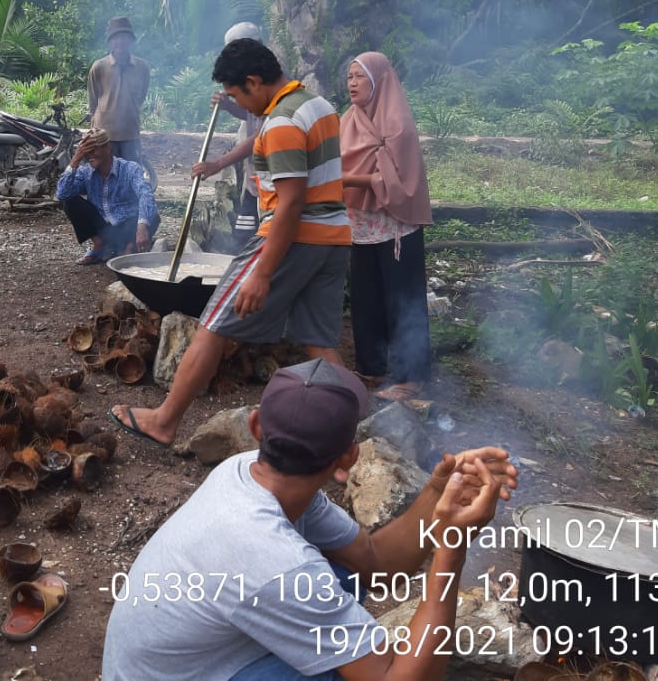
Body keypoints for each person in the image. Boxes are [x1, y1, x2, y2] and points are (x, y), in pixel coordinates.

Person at [102, 359, 519, 681]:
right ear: (347, 459)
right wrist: (451, 548)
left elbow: (374, 563)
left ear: (256, 427)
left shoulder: (245, 471)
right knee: (342, 669)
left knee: (342, 578)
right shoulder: (278, 561)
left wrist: (436, 492)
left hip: (174, 664)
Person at [111, 39, 350, 447]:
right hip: (334, 238)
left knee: (214, 324)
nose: (240, 104)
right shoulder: (317, 105)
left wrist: (263, 273)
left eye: (238, 95)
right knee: (320, 341)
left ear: (254, 82)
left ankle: (165, 421)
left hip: (291, 237)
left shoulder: (281, 122)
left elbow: (291, 203)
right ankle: (351, 432)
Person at [341, 53, 433, 402]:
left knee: (403, 299)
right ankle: (371, 367)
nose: (352, 84)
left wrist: (347, 179)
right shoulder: (348, 120)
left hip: (395, 226)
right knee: (365, 298)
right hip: (361, 224)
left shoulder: (398, 125)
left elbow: (400, 183)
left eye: (359, 77)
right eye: (349, 77)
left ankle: (412, 378)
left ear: (379, 81)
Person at [192, 22, 268, 237]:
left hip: (271, 182)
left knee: (260, 241)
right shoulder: (248, 79)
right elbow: (251, 115)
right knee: (244, 238)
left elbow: (262, 134)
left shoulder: (266, 81)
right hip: (254, 180)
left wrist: (218, 164)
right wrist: (228, 106)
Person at [56, 127, 160, 266]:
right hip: (104, 229)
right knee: (70, 201)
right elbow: (62, 194)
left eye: (93, 150)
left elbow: (145, 194)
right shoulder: (85, 172)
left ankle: (129, 248)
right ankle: (100, 246)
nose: (89, 156)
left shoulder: (130, 168)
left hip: (128, 227)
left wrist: (142, 226)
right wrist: (75, 159)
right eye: (85, 152)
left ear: (107, 148)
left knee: (152, 217)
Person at [88, 16, 150, 163]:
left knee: (131, 172)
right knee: (104, 173)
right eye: (116, 37)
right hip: (104, 135)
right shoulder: (99, 67)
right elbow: (93, 101)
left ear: (131, 40)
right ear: (110, 41)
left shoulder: (142, 67)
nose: (120, 41)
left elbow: (141, 96)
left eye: (124, 37)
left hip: (130, 133)